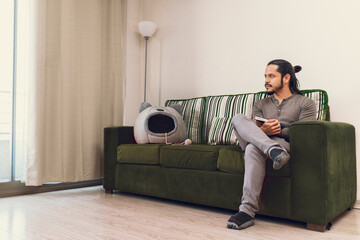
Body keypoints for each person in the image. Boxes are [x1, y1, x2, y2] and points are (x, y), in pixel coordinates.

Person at [227, 59, 317, 230]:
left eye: (271, 76)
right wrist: (263, 132)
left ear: (286, 78)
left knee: (254, 148)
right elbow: (250, 130)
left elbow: (305, 133)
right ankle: (272, 150)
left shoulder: (305, 103)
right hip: (262, 142)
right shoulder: (260, 104)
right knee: (238, 118)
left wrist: (278, 130)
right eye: (265, 76)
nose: (266, 80)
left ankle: (246, 212)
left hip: (282, 144)